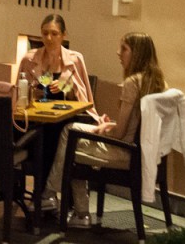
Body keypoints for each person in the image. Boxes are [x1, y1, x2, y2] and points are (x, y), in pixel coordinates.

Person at [44, 32, 167, 227]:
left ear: (137, 53)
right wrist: (108, 125)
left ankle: (53, 197)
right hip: (144, 153)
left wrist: (102, 130)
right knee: (75, 141)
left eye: (124, 49)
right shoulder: (159, 84)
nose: (118, 53)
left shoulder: (132, 83)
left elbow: (120, 134)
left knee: (70, 133)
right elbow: (136, 126)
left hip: (126, 152)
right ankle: (77, 212)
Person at [16, 14, 95, 105]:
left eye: (54, 34)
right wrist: (33, 92)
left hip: (67, 111)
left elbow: (83, 100)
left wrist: (67, 88)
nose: (49, 38)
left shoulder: (75, 60)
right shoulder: (29, 59)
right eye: (45, 33)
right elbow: (18, 95)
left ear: (63, 35)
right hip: (37, 111)